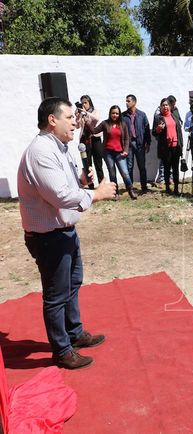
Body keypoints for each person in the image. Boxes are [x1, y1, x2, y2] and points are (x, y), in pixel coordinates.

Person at [17, 97, 117, 369]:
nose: (76, 121)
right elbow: (60, 195)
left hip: (64, 231)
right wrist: (96, 194)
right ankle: (62, 350)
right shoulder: (40, 151)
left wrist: (82, 182)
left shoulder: (59, 148)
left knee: (72, 285)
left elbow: (66, 185)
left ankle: (74, 333)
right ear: (52, 120)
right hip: (49, 236)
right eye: (70, 117)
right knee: (56, 294)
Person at [88, 105, 137, 200]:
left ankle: (130, 190)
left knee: (125, 173)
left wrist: (126, 150)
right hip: (108, 153)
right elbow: (94, 131)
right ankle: (115, 193)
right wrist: (87, 121)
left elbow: (127, 138)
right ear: (110, 113)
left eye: (117, 113)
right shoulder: (105, 123)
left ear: (119, 114)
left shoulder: (123, 124)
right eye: (113, 113)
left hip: (120, 153)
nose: (115, 115)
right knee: (112, 173)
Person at [153, 98, 183, 195]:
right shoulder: (158, 118)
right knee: (166, 168)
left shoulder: (174, 116)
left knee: (175, 168)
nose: (165, 107)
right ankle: (167, 188)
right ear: (160, 107)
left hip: (175, 146)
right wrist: (158, 129)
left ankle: (176, 188)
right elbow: (154, 132)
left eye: (167, 105)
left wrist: (180, 144)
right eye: (163, 105)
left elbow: (179, 131)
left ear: (170, 106)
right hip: (165, 147)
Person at [122, 94, 151, 192]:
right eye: (126, 101)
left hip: (140, 144)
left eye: (128, 101)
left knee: (142, 166)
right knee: (129, 167)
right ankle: (130, 188)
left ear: (134, 102)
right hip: (128, 144)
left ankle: (144, 187)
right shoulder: (123, 116)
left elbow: (147, 129)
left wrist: (148, 142)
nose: (126, 103)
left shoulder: (142, 115)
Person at [76, 95, 104, 188]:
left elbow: (96, 119)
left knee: (98, 163)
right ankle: (90, 185)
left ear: (89, 102)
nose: (84, 105)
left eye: (85, 102)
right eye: (82, 103)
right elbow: (77, 126)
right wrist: (78, 116)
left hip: (95, 139)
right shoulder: (81, 113)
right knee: (87, 163)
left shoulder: (94, 111)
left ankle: (102, 184)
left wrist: (86, 113)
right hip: (84, 140)